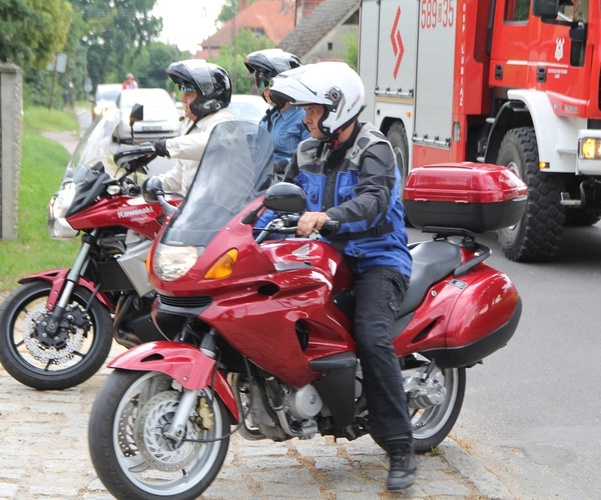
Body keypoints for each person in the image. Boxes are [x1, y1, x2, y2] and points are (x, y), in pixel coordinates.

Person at [269, 62, 416, 491]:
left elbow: (373, 200)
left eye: (312, 110)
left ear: (337, 106)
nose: (305, 118)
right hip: (323, 257)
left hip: (376, 259)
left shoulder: (376, 147)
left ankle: (400, 444)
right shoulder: (307, 150)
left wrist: (327, 217)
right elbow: (279, 196)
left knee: (371, 336)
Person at [145, 60, 237, 195]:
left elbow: (211, 143)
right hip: (196, 208)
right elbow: (179, 177)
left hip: (222, 209)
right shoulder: (193, 125)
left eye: (188, 93)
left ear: (206, 97)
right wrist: (153, 183)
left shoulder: (226, 122)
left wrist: (166, 146)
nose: (183, 99)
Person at [243, 49, 309, 175]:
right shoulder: (268, 118)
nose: (263, 89)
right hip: (262, 184)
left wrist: (285, 165)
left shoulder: (306, 118)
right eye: (260, 83)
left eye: (267, 83)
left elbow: (312, 158)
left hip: (288, 186)